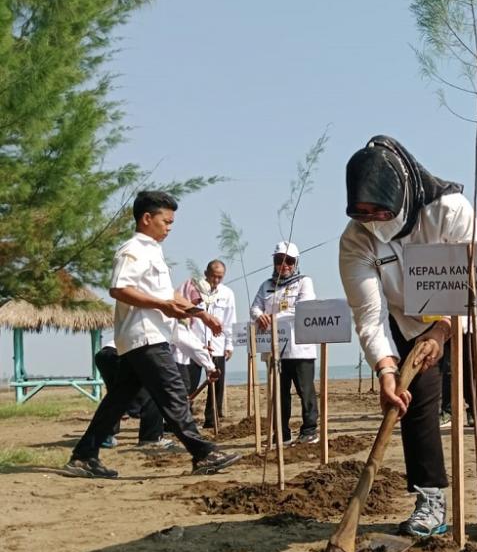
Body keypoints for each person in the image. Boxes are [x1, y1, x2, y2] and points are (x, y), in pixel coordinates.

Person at [339, 135, 477, 539]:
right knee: (416, 402)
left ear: (399, 193)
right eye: (361, 212)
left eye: (379, 209)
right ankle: (430, 497)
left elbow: (471, 282)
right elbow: (370, 317)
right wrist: (386, 369)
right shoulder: (355, 240)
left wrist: (443, 329)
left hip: (472, 307)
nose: (372, 220)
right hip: (409, 320)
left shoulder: (448, 210)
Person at [63, 191, 241, 478]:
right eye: (166, 221)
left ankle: (84, 456)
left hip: (149, 337)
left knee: (118, 399)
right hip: (144, 337)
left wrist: (202, 315)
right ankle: (203, 453)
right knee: (173, 394)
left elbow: (168, 295)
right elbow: (119, 288)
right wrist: (162, 305)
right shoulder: (132, 249)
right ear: (147, 218)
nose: (169, 228)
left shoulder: (153, 250)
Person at [249, 241, 319, 446]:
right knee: (279, 394)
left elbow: (302, 309)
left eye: (288, 261)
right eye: (279, 260)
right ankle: (282, 433)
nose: (284, 265)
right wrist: (260, 316)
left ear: (296, 262)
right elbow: (254, 308)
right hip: (274, 349)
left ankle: (309, 430)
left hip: (300, 348)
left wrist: (272, 317)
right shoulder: (266, 285)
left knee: (305, 391)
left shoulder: (304, 282)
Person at [185, 260, 237, 428]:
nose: (215, 280)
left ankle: (211, 419)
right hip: (195, 344)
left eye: (219, 277)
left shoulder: (227, 293)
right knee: (189, 382)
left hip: (217, 344)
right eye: (213, 276)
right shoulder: (194, 289)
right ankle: (184, 418)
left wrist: (229, 345)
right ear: (206, 273)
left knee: (217, 383)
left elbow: (229, 321)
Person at [94, 337, 169, 449]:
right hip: (122, 355)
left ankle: (104, 436)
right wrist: (206, 366)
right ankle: (150, 438)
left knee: (117, 395)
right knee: (154, 394)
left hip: (104, 355)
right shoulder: (167, 332)